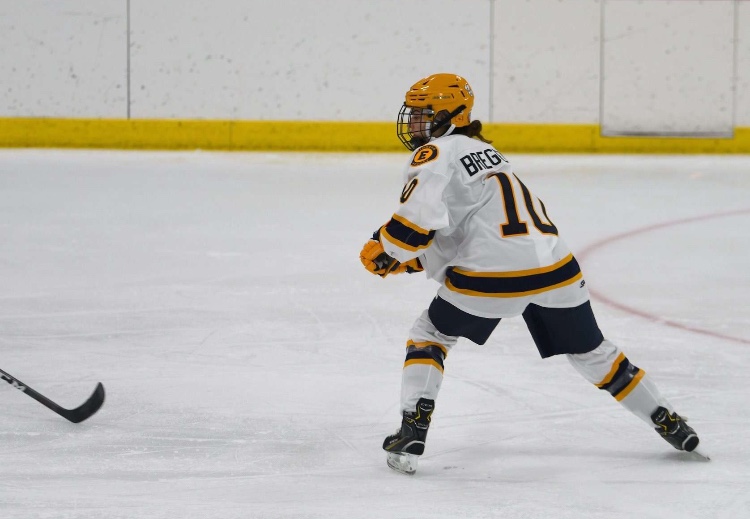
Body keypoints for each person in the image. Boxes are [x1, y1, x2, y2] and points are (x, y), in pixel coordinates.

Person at [359, 73, 704, 475]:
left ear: (448, 114)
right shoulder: (489, 153)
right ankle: (668, 421)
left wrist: (385, 250)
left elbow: (413, 228)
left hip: (489, 281)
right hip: (557, 270)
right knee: (593, 352)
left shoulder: (435, 154)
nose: (414, 123)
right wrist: (415, 257)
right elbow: (472, 231)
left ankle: (412, 428)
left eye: (422, 114)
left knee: (430, 335)